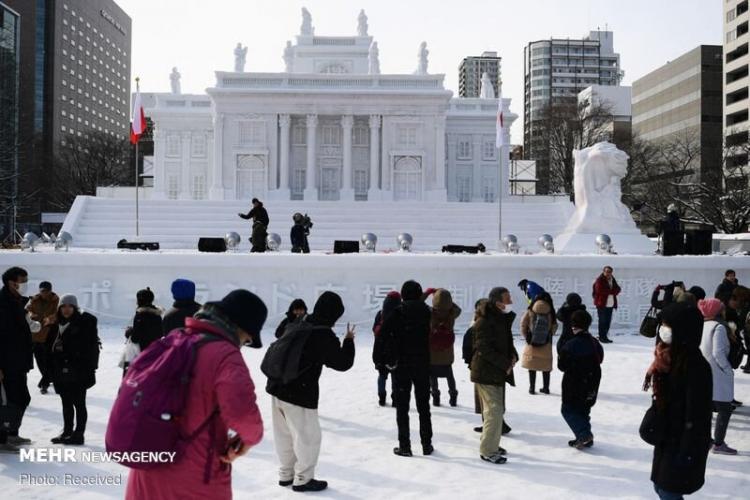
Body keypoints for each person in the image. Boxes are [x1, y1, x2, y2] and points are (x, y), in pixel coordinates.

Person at [125, 290, 267, 500]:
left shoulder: (174, 340)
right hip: (193, 475)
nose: (243, 344)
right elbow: (243, 414)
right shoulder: (226, 356)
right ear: (239, 327)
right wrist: (249, 440)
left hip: (147, 466)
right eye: (247, 340)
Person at [266, 291, 355, 492]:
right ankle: (303, 479)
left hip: (277, 386)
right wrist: (348, 341)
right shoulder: (323, 333)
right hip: (299, 392)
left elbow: (280, 335)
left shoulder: (301, 321)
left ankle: (286, 474)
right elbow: (342, 363)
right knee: (307, 437)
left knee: (284, 435)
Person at [644, 302, 712, 499]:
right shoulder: (668, 357)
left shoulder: (695, 366)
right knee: (660, 487)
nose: (663, 331)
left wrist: (687, 452)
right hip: (668, 436)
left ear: (683, 331)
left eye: (668, 326)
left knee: (668, 490)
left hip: (683, 442)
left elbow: (698, 414)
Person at [381, 280, 433, 457]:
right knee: (423, 406)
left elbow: (383, 334)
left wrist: (383, 358)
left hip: (402, 364)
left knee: (402, 408)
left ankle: (405, 446)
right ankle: (427, 444)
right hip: (423, 363)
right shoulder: (427, 312)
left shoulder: (398, 312)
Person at [471, 287, 517, 464]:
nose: (511, 302)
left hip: (496, 372)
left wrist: (512, 355)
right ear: (498, 302)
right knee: (494, 411)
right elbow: (483, 348)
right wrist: (504, 363)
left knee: (497, 411)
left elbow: (505, 343)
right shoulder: (485, 321)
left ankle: (492, 444)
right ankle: (488, 450)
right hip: (485, 372)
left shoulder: (500, 319)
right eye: (508, 298)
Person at [48, 294, 99, 445]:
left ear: (75, 308)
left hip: (79, 371)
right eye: (63, 306)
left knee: (79, 403)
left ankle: (79, 434)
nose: (66, 309)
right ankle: (67, 431)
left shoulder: (84, 323)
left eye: (70, 306)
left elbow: (87, 347)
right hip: (60, 371)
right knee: (66, 403)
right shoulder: (56, 324)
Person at [558, 310, 603, 449]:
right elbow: (600, 359)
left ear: (573, 326)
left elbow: (562, 366)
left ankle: (583, 434)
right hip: (592, 380)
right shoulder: (595, 342)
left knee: (568, 410)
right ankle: (584, 437)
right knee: (584, 409)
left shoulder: (570, 344)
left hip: (574, 382)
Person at [697, 298, 737, 455]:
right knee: (724, 409)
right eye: (722, 308)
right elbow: (718, 352)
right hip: (717, 372)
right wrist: (727, 369)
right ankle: (719, 444)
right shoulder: (719, 327)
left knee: (707, 407)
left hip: (704, 371)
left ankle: (707, 440)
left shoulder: (703, 324)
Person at [0, 267, 33, 453]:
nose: (25, 285)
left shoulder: (17, 302)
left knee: (22, 397)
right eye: (22, 281)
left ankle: (12, 432)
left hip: (19, 360)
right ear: (11, 282)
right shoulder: (2, 303)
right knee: (7, 401)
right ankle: (2, 439)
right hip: (6, 363)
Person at [428, 289, 461, 407]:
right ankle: (453, 397)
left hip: (433, 353)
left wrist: (433, 295)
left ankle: (436, 397)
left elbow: (420, 304)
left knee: (433, 377)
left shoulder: (430, 313)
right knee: (450, 377)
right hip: (447, 354)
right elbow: (458, 309)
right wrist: (447, 301)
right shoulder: (452, 313)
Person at [520, 292, 558, 395]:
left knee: (532, 367)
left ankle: (532, 388)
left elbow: (523, 324)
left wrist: (527, 336)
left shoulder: (530, 310)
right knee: (545, 367)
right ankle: (546, 388)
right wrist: (549, 334)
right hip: (546, 343)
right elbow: (555, 326)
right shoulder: (551, 312)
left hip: (531, 343)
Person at [26, 281, 60, 394]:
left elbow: (58, 314)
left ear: (50, 291)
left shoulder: (56, 300)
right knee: (40, 360)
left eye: (46, 291)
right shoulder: (34, 300)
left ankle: (44, 383)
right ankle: (49, 378)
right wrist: (31, 315)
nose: (44, 293)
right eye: (42, 291)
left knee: (49, 359)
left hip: (50, 334)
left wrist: (50, 318)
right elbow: (28, 310)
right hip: (36, 335)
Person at [373, 291, 401, 407]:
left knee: (382, 376)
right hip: (396, 351)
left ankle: (382, 398)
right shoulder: (400, 314)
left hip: (381, 350)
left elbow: (375, 330)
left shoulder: (380, 314)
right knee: (395, 377)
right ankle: (395, 399)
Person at [592, 266, 620, 343]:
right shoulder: (600, 280)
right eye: (607, 271)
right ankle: (602, 337)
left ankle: (604, 336)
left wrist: (611, 291)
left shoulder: (612, 279)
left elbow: (618, 289)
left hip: (610, 304)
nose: (608, 273)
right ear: (603, 272)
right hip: (601, 304)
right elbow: (600, 290)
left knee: (607, 321)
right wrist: (611, 291)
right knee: (602, 321)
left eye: (610, 272)